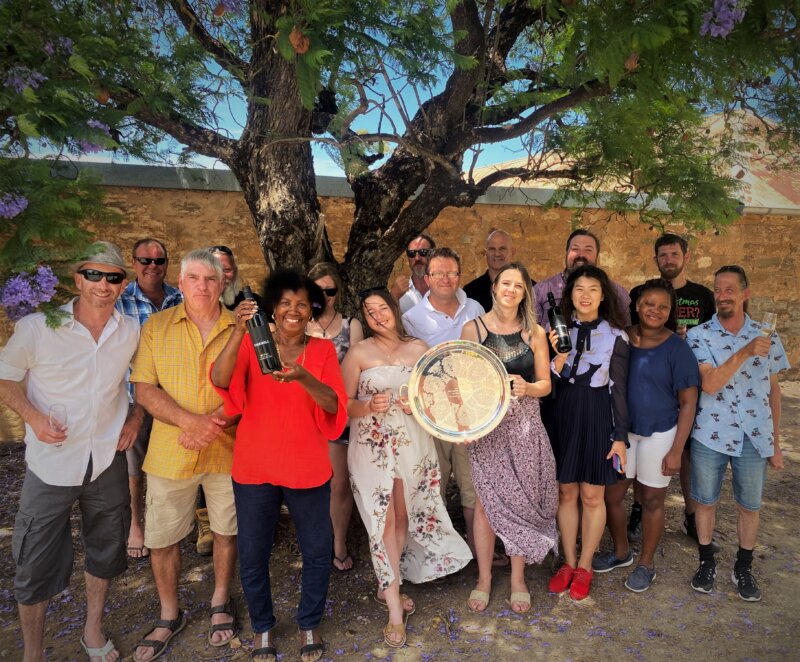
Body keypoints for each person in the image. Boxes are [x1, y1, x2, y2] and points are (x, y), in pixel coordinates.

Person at [0, 242, 140, 662]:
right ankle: (32, 653)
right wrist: (34, 417)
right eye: (93, 275)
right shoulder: (38, 327)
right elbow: (6, 380)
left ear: (122, 284)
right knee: (35, 561)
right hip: (51, 464)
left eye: (113, 277)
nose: (103, 284)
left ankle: (92, 631)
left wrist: (133, 421)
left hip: (106, 462)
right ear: (77, 279)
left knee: (107, 548)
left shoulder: (130, 330)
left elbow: (144, 385)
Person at [211, 269, 347, 662]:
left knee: (318, 551)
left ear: (311, 311)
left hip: (307, 468)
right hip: (255, 468)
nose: (293, 310)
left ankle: (309, 623)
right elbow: (221, 379)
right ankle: (263, 627)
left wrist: (304, 377)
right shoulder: (255, 345)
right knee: (253, 553)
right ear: (272, 306)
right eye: (285, 302)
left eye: (302, 304)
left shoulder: (320, 353)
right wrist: (238, 330)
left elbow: (333, 405)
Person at [342, 288, 471, 648]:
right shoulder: (358, 353)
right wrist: (369, 406)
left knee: (404, 517)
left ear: (394, 310)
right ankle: (395, 610)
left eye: (382, 308)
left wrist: (420, 408)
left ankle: (390, 584)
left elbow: (437, 398)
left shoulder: (418, 349)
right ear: (364, 319)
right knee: (383, 520)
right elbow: (343, 405)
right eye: (369, 312)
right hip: (373, 448)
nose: (377, 316)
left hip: (414, 445)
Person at [130, 250, 240, 661]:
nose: (202, 286)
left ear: (221, 283)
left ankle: (219, 602)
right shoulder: (157, 327)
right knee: (162, 539)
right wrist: (190, 423)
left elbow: (250, 389)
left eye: (210, 279)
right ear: (181, 280)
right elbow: (145, 389)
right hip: (169, 451)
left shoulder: (240, 328)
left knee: (227, 531)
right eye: (193, 278)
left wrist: (209, 425)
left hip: (226, 451)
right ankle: (168, 612)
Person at [459, 263, 558, 613]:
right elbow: (464, 382)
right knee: (486, 503)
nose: (511, 289)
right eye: (506, 283)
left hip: (525, 424)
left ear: (525, 293)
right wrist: (466, 424)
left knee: (521, 500)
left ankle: (518, 577)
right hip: (487, 427)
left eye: (518, 285)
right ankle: (484, 577)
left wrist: (528, 387)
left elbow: (545, 384)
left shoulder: (536, 333)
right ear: (494, 287)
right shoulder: (472, 328)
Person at [687, 265, 789, 601]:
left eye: (730, 288)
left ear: (745, 293)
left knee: (749, 505)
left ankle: (743, 567)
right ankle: (706, 562)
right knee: (705, 502)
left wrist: (774, 442)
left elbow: (773, 390)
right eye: (717, 289)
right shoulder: (698, 335)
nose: (722, 294)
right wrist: (744, 351)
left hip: (754, 436)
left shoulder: (767, 334)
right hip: (711, 433)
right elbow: (710, 383)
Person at [593, 279, 700, 593]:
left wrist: (676, 450)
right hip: (622, 432)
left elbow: (688, 402)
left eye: (663, 306)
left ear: (670, 312)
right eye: (649, 304)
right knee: (612, 496)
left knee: (652, 499)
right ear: (637, 305)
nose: (655, 310)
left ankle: (646, 563)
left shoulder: (677, 348)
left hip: (660, 433)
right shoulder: (620, 337)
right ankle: (622, 551)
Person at [547, 265, 630, 601]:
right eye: (579, 288)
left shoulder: (616, 336)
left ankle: (585, 566)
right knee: (565, 492)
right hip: (563, 412)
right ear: (571, 295)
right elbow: (547, 383)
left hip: (597, 414)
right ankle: (567, 562)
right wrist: (557, 355)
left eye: (592, 289)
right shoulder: (554, 331)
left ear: (603, 294)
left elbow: (620, 388)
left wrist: (620, 435)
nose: (585, 295)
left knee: (592, 496)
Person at [626, 233, 715, 546]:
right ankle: (638, 509)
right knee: (646, 464)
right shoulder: (642, 293)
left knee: (687, 452)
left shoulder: (702, 296)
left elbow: (714, 335)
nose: (669, 260)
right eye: (662, 255)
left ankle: (692, 516)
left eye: (674, 254)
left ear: (685, 257)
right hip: (658, 381)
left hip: (690, 377)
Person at [402, 247, 484, 557]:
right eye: (438, 273)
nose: (445, 278)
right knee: (432, 483)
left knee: (471, 486)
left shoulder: (475, 308)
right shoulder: (411, 318)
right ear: (427, 277)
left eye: (451, 272)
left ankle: (478, 551)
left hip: (469, 413)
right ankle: (435, 554)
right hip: (432, 415)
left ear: (459, 275)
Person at [115, 237, 183, 560]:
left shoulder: (179, 298)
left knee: (176, 461)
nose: (152, 267)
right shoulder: (120, 301)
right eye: (145, 261)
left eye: (159, 261)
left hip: (175, 395)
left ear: (167, 264)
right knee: (135, 464)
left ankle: (178, 522)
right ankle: (136, 525)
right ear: (134, 263)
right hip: (135, 396)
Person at [306, 262, 364, 572]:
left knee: (339, 485)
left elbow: (356, 373)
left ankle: (338, 542)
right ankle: (316, 542)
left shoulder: (350, 325)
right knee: (308, 486)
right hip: (304, 415)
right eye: (318, 290)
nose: (324, 297)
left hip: (338, 414)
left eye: (330, 290)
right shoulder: (298, 323)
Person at [533, 229, 631, 329]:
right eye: (575, 249)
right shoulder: (541, 290)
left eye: (588, 250)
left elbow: (626, 332)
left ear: (597, 255)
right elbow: (532, 334)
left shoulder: (618, 293)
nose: (581, 255)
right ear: (566, 252)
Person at [463, 229, 534, 311]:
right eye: (492, 249)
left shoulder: (531, 288)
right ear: (486, 253)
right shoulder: (471, 291)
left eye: (502, 248)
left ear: (513, 252)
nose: (497, 253)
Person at [389, 233, 436, 314]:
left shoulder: (445, 289)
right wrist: (393, 298)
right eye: (411, 253)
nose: (417, 258)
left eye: (423, 252)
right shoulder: (399, 293)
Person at [209, 245, 245, 310]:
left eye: (226, 270)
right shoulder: (193, 304)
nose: (221, 276)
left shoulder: (253, 301)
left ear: (235, 272)